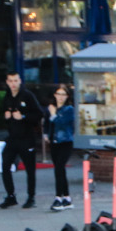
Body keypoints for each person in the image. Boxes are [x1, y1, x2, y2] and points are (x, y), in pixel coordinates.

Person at [0, 72, 43, 209]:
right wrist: (5, 116)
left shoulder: (27, 95)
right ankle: (10, 196)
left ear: (20, 81)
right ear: (7, 82)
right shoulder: (7, 96)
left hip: (26, 138)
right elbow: (2, 114)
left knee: (30, 169)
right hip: (12, 138)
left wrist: (23, 116)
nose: (13, 83)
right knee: (5, 165)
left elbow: (39, 114)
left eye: (15, 80)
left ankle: (31, 197)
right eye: (10, 81)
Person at [47, 84, 75, 212]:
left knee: (59, 168)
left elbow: (62, 123)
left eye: (63, 94)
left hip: (65, 142)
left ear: (67, 96)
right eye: (58, 94)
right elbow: (47, 124)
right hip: (54, 142)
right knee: (59, 170)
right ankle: (67, 198)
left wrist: (53, 115)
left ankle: (58, 197)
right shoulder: (51, 108)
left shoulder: (69, 109)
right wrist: (46, 134)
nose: (61, 97)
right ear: (55, 95)